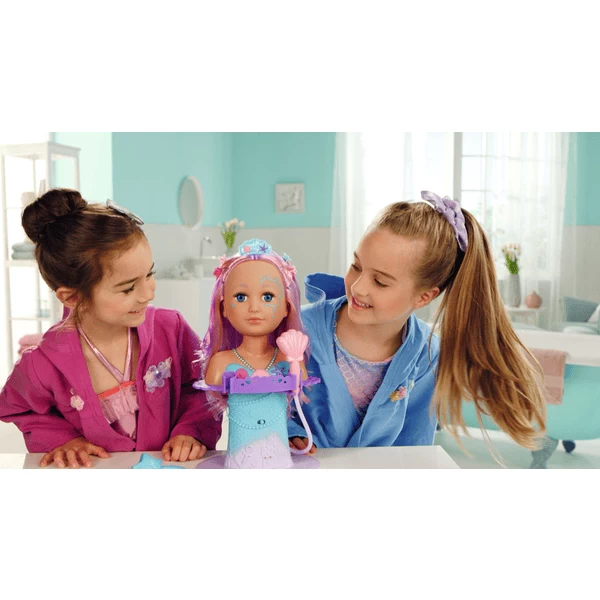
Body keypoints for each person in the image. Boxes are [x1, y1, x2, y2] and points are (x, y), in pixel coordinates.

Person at [288, 190, 545, 452]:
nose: (358, 287)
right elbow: (265, 398)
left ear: (424, 297)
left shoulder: (428, 355)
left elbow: (414, 447)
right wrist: (288, 433)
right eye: (356, 266)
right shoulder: (295, 329)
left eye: (380, 281)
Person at [0, 189, 221, 468]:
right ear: (72, 297)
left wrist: (190, 431)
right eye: (128, 288)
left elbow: (203, 385)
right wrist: (64, 440)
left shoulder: (170, 329)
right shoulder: (43, 362)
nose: (148, 293)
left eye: (149, 274)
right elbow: (20, 407)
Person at [200, 238, 314, 467]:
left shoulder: (288, 358)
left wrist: (294, 360)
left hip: (279, 457)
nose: (254, 308)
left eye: (267, 297)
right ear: (223, 307)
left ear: (286, 306)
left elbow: (299, 383)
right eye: (240, 297)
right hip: (238, 457)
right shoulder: (220, 363)